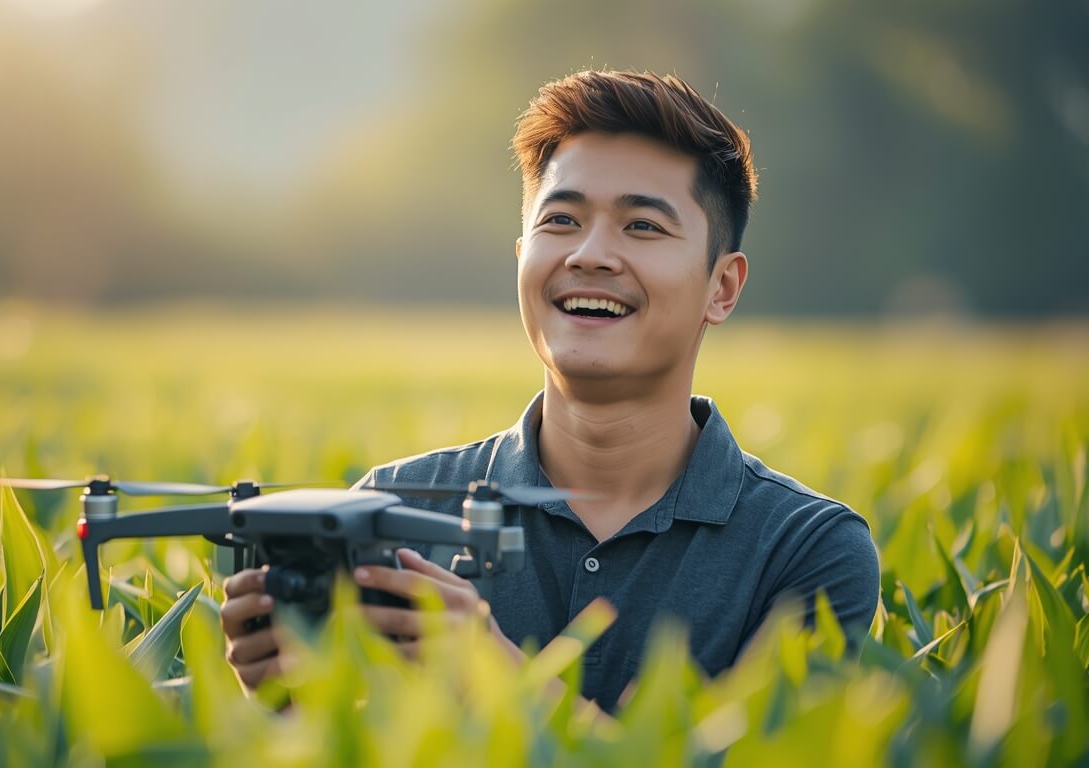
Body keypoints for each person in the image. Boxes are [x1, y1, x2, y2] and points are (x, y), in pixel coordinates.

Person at [220, 70, 881, 712]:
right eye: (561, 221)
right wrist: (292, 708)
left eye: (642, 226)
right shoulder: (387, 512)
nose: (589, 254)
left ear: (723, 287)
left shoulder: (807, 550)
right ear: (521, 259)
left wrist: (494, 676)